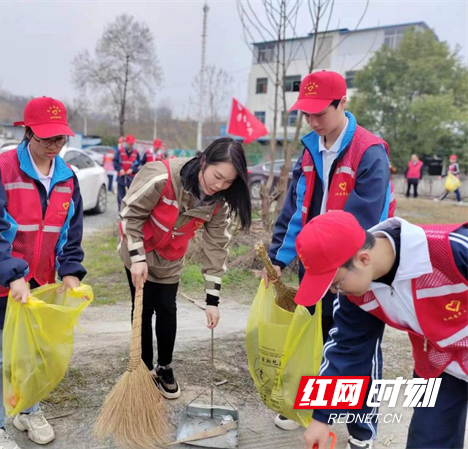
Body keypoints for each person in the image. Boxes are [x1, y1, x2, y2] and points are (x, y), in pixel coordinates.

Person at [264, 70, 395, 448]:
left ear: (343, 103)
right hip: (316, 264)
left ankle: (361, 423)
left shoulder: (369, 152)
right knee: (316, 335)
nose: (312, 120)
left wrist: (342, 267)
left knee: (357, 340)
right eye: (306, 113)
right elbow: (295, 208)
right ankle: (313, 411)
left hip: (356, 266)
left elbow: (365, 221)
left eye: (320, 112)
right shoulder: (310, 148)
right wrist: (278, 256)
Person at [0, 97, 87, 449]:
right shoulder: (0, 170)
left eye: (60, 139)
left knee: (30, 355)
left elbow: (70, 230)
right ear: (28, 132)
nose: (54, 146)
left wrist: (70, 270)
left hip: (38, 286)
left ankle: (27, 409)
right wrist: (11, 274)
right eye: (46, 138)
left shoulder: (67, 178)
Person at [294, 210, 468, 449]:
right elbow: (348, 349)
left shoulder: (448, 250)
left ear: (363, 259)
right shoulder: (357, 295)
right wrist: (321, 418)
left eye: (336, 283)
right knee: (426, 441)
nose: (335, 293)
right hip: (437, 364)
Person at [118, 137, 252, 399]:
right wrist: (136, 258)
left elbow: (217, 248)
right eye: (217, 176)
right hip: (139, 251)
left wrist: (212, 300)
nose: (219, 186)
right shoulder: (162, 177)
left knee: (167, 309)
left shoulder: (218, 203)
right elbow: (129, 215)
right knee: (142, 310)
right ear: (204, 161)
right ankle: (142, 371)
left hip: (170, 258)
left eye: (228, 182)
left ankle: (164, 367)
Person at [113, 134, 140, 210]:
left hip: (131, 178)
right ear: (126, 143)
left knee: (132, 196)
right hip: (121, 177)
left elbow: (138, 164)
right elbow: (115, 161)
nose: (130, 145)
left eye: (132, 143)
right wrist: (120, 169)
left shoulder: (136, 153)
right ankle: (121, 211)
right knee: (121, 196)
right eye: (129, 143)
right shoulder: (120, 152)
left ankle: (130, 212)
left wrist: (132, 169)